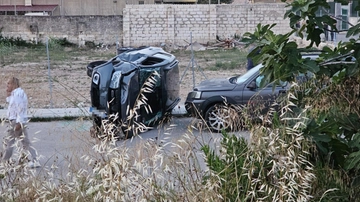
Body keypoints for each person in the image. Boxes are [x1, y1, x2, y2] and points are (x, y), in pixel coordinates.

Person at [2, 77, 40, 168]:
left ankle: (4, 162)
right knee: (25, 142)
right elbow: (10, 102)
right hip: (16, 121)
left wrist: (19, 122)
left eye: (9, 84)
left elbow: (20, 108)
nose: (7, 85)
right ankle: (35, 159)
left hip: (16, 121)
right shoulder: (16, 93)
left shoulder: (18, 94)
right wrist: (8, 93)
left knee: (9, 142)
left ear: (14, 84)